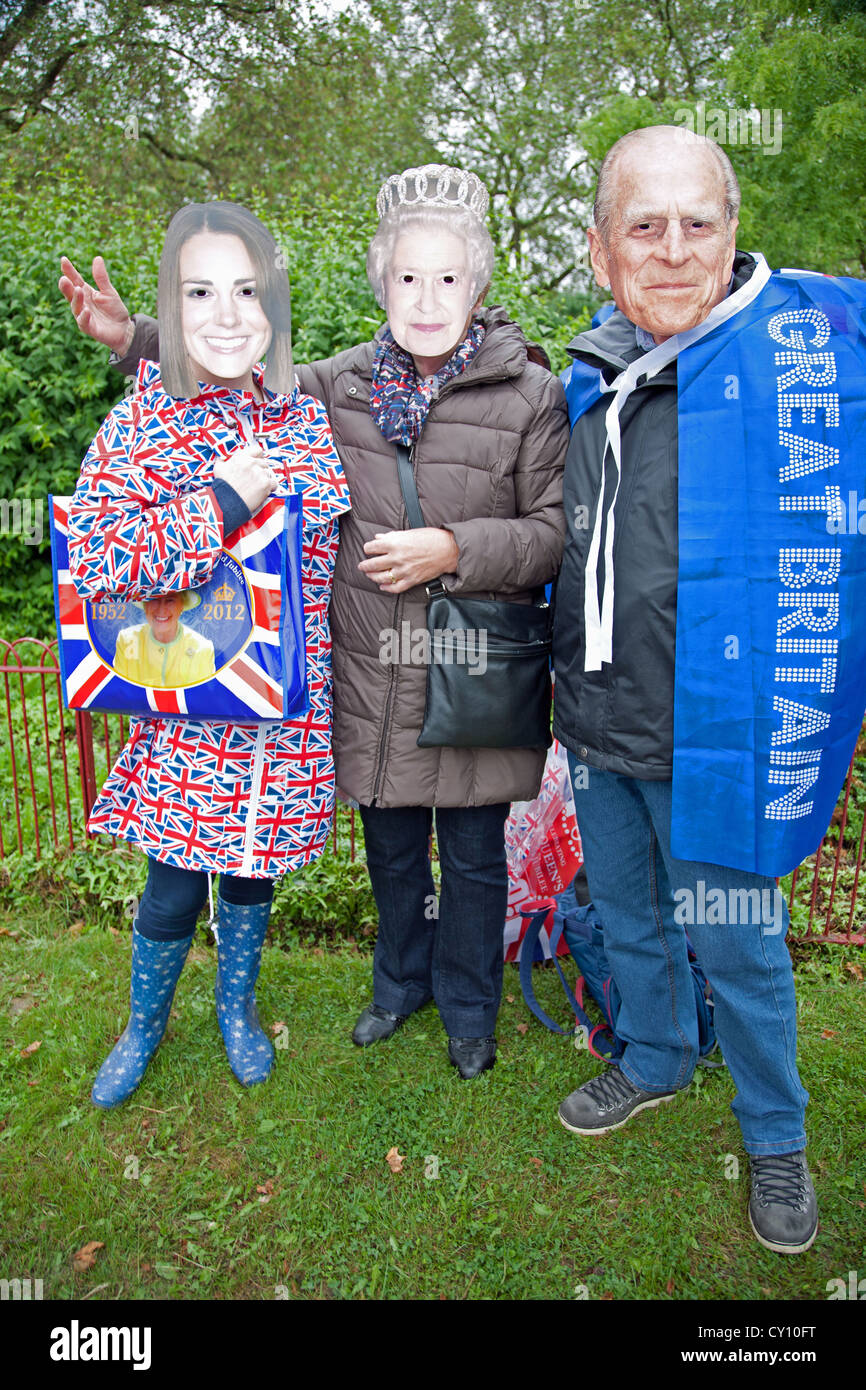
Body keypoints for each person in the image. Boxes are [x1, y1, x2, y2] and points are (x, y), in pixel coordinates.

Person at [62, 164, 569, 1079]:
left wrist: (453, 547)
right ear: (381, 283)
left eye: (448, 278)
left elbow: (552, 537)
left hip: (471, 668)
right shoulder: (338, 388)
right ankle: (396, 987)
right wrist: (133, 336)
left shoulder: (531, 395)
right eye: (408, 278)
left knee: (472, 855)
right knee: (392, 856)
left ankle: (468, 1012)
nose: (426, 299)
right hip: (363, 679)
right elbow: (228, 357)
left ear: (479, 283)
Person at [551, 124, 866, 1255]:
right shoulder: (579, 381)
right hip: (595, 728)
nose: (674, 249)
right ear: (600, 250)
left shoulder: (807, 360)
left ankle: (773, 1135)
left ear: (735, 232)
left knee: (737, 944)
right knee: (629, 917)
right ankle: (652, 1054)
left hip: (719, 739)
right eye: (645, 225)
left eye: (699, 223)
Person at [65, 201, 350, 1108]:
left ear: (273, 306)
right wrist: (219, 506)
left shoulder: (302, 421)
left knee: (253, 873)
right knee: (175, 882)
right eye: (200, 292)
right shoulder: (139, 425)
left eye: (247, 291)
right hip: (189, 717)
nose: (227, 315)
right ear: (172, 308)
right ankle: (144, 1025)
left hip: (286, 718)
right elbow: (100, 564)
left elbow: (324, 564)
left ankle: (237, 1011)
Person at [113, 591, 216, 685]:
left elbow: (202, 699)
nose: (161, 609)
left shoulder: (202, 648)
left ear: (182, 606)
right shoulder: (127, 640)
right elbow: (119, 692)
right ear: (144, 605)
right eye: (154, 599)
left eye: (170, 600)